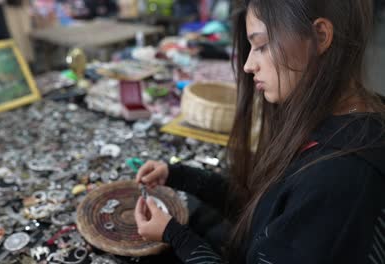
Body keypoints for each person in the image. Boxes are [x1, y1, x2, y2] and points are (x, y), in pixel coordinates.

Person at [134, 0, 385, 263]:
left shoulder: (339, 180)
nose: (248, 65)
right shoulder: (336, 121)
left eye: (262, 45)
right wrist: (178, 175)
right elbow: (263, 207)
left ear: (320, 36)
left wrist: (175, 235)